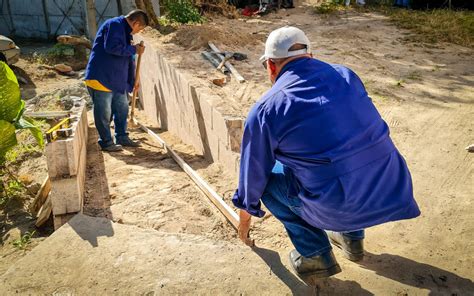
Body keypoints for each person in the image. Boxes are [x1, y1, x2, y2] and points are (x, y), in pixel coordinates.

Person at [233, 26, 420, 278]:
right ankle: (353, 241)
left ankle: (315, 255)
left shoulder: (266, 109)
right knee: (346, 154)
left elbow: (251, 179)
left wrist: (244, 221)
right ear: (311, 56)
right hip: (389, 188)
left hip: (342, 204)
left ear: (271, 67)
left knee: (268, 179)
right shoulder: (347, 75)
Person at [85, 9, 148, 152]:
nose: (138, 32)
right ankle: (106, 142)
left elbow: (128, 60)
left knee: (122, 109)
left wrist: (132, 81)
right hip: (101, 77)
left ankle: (121, 137)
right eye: (140, 28)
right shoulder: (114, 25)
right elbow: (112, 47)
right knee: (104, 113)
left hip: (116, 80)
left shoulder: (126, 32)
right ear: (136, 22)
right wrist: (134, 49)